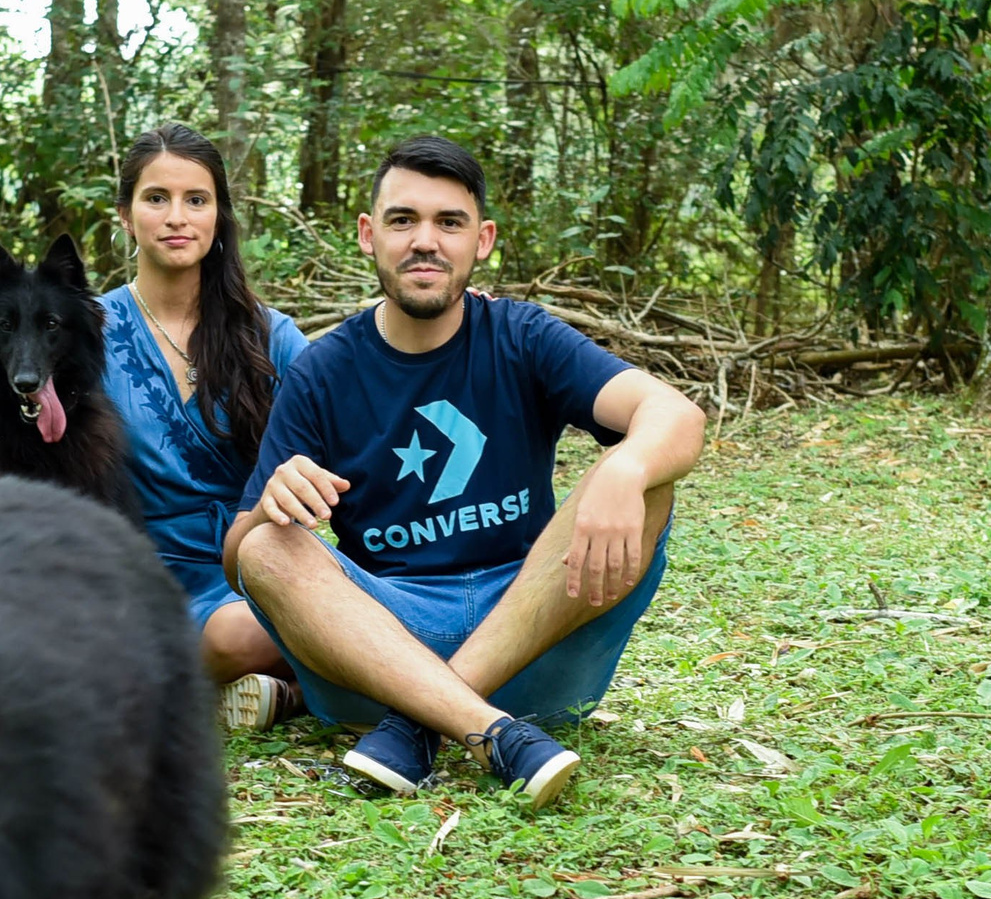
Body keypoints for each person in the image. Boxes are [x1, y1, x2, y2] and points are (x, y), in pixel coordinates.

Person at [223, 135, 707, 810]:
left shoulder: (521, 335)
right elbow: (239, 560)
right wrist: (270, 504)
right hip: (388, 645)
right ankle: (489, 731)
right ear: (367, 234)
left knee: (649, 478)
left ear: (482, 240)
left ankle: (418, 724)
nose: (425, 241)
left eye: (449, 222)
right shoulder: (322, 370)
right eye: (402, 220)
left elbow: (675, 414)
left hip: (533, 637)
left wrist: (625, 467)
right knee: (265, 546)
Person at [100, 124, 312, 730]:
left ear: (219, 214)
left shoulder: (270, 334)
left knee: (282, 617)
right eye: (156, 198)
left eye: (196, 199)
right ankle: (300, 685)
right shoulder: (86, 333)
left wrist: (451, 324)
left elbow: (352, 407)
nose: (177, 217)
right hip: (143, 575)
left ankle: (288, 692)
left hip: (261, 560)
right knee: (233, 636)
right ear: (125, 215)